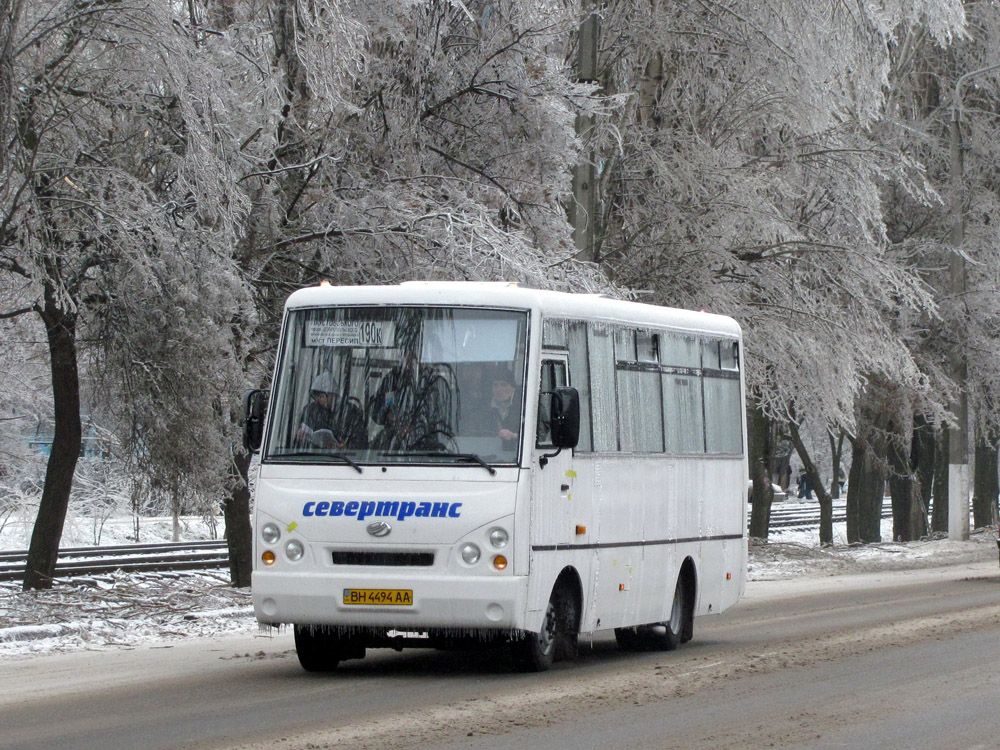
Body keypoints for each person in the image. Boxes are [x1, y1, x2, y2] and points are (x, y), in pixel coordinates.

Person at [296, 371, 367, 449]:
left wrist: (346, 447)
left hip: (342, 459)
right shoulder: (310, 411)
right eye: (318, 397)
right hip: (314, 457)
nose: (319, 400)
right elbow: (299, 442)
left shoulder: (350, 412)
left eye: (322, 396)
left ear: (333, 395)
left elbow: (361, 442)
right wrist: (301, 435)